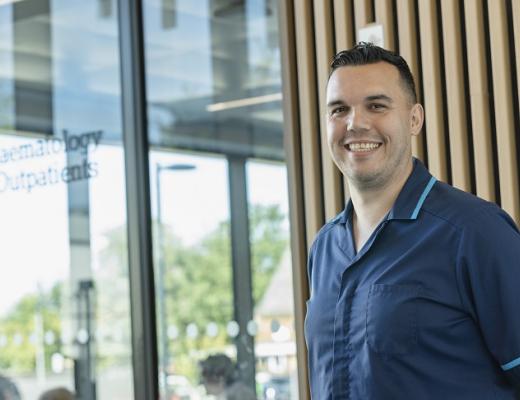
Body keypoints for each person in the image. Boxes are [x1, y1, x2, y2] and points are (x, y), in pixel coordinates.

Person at [304, 42, 520, 399]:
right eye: (339, 110)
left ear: (414, 118)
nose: (355, 123)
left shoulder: (476, 233)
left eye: (376, 106)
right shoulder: (324, 248)